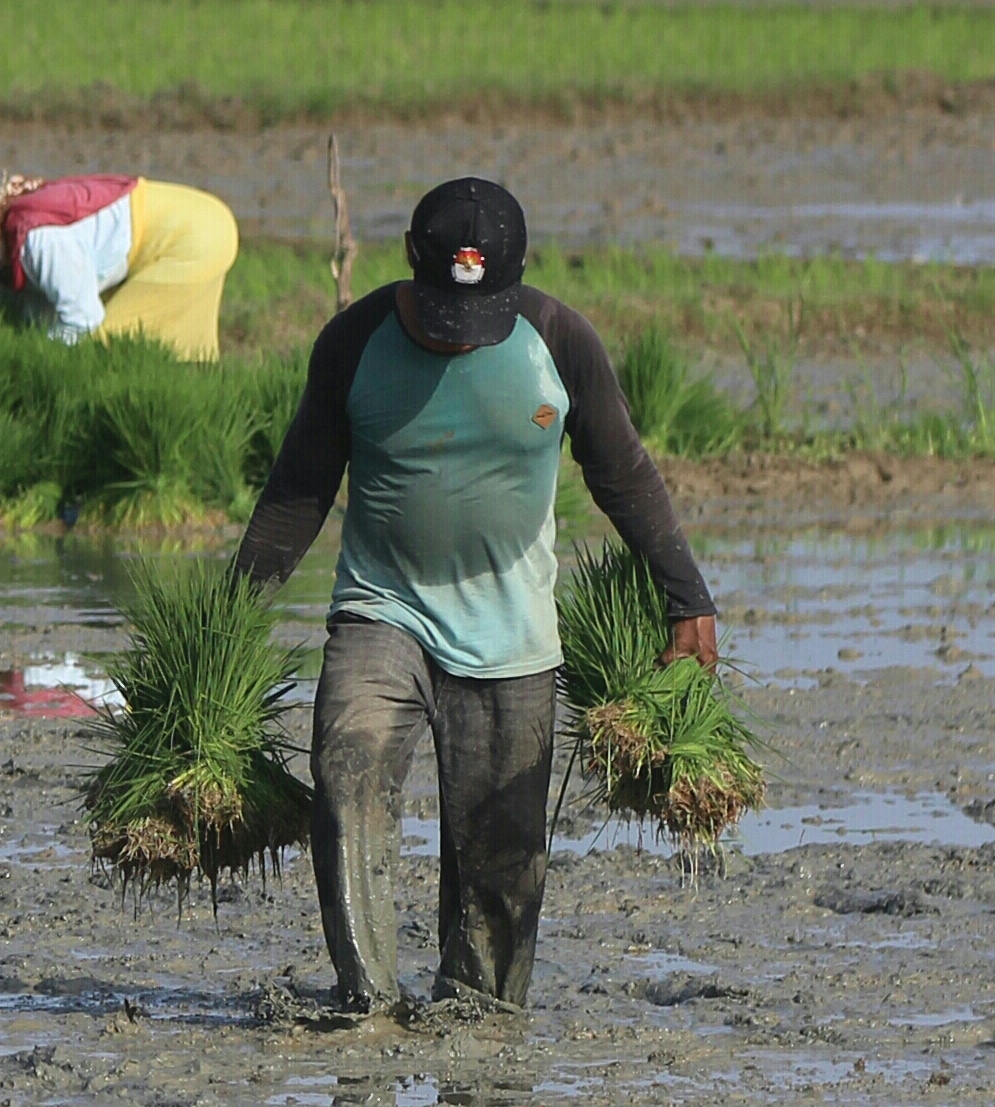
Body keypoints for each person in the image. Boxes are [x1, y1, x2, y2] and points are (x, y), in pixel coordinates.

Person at [233, 178, 719, 1015]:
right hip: (384, 609)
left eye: (479, 318)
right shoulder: (354, 341)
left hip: (512, 632)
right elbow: (299, 489)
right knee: (346, 769)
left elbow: (623, 472)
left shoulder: (558, 340)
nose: (459, 340)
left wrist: (688, 597)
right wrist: (227, 624)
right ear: (412, 270)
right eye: (442, 313)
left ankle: (477, 1017)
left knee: (502, 858)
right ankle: (370, 1002)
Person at [0, 174, 239, 361]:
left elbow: (84, 320)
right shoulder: (6, 258)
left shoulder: (40, 243)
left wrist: (33, 361)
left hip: (194, 236)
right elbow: (33, 322)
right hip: (202, 218)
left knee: (108, 348)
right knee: (185, 356)